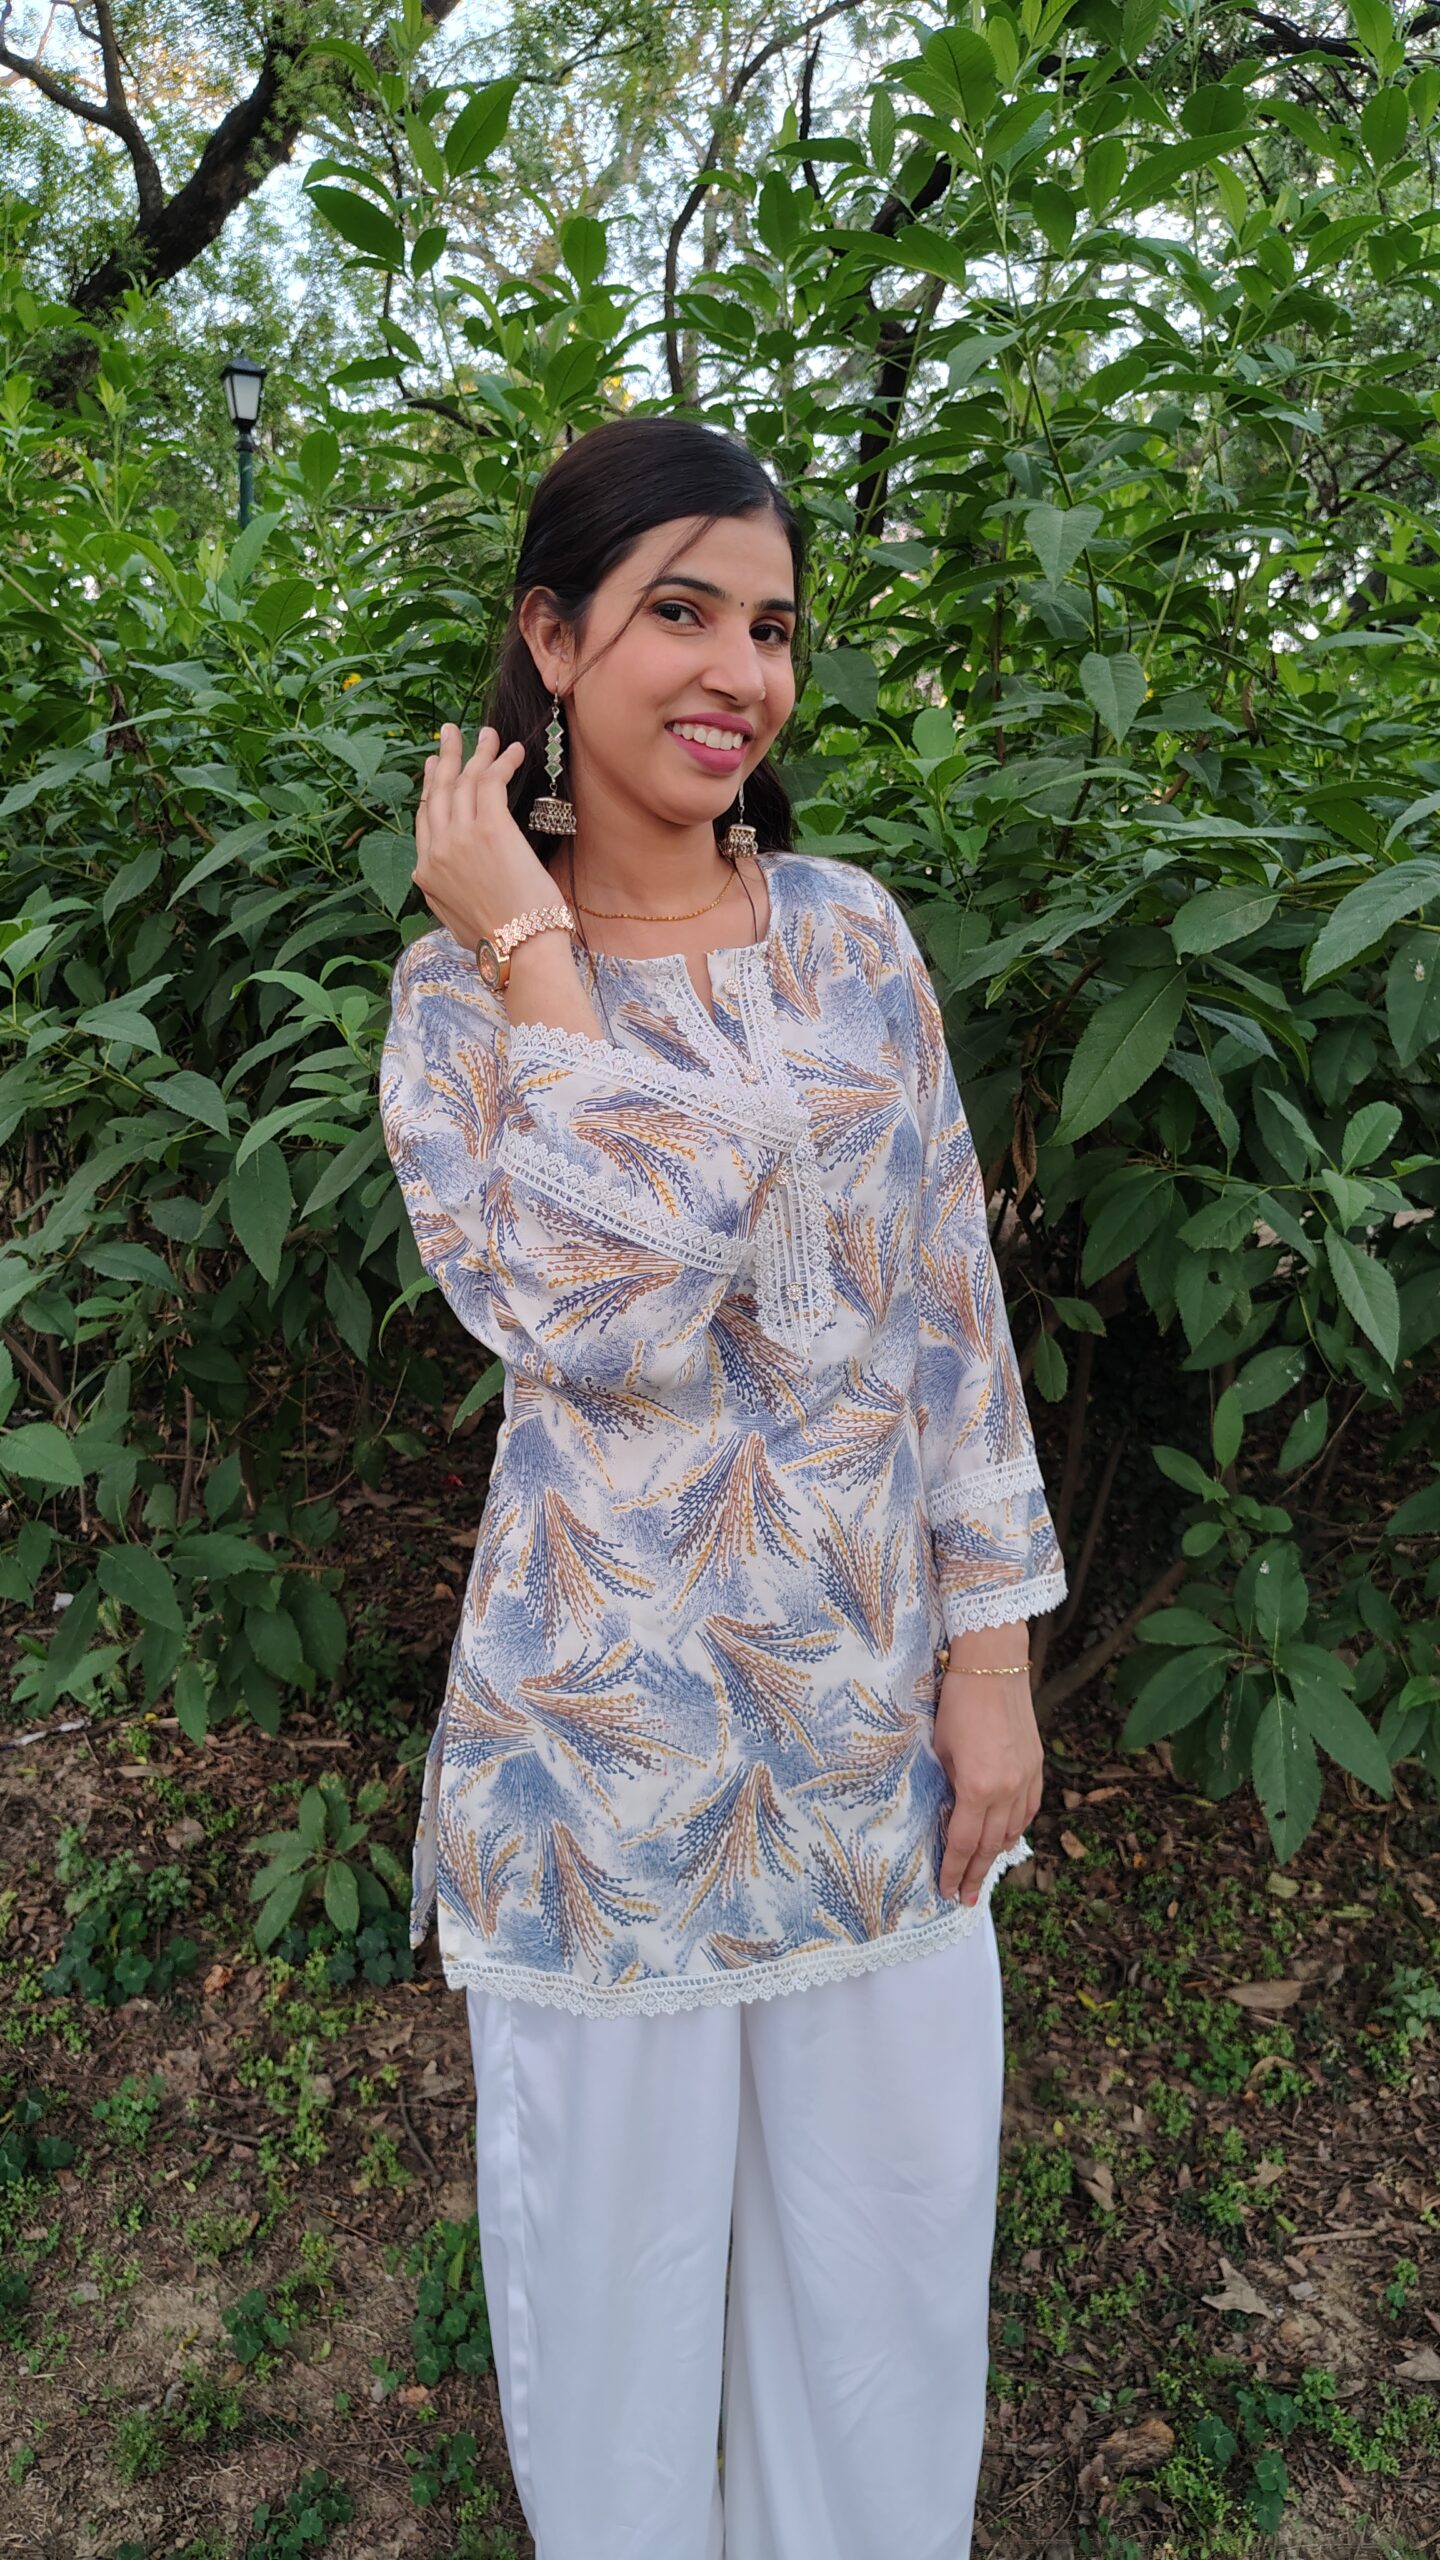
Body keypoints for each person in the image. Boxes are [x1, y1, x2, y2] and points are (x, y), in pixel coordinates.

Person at [379, 415, 1068, 2560]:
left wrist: (993, 1660)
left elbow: (947, 1307)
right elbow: (596, 1311)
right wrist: (532, 946)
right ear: (551, 636)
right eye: (680, 610)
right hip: (607, 1771)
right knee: (615, 2321)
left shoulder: (851, 934)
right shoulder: (454, 1005)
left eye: (770, 627)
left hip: (870, 1739)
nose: (739, 671)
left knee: (886, 2283)